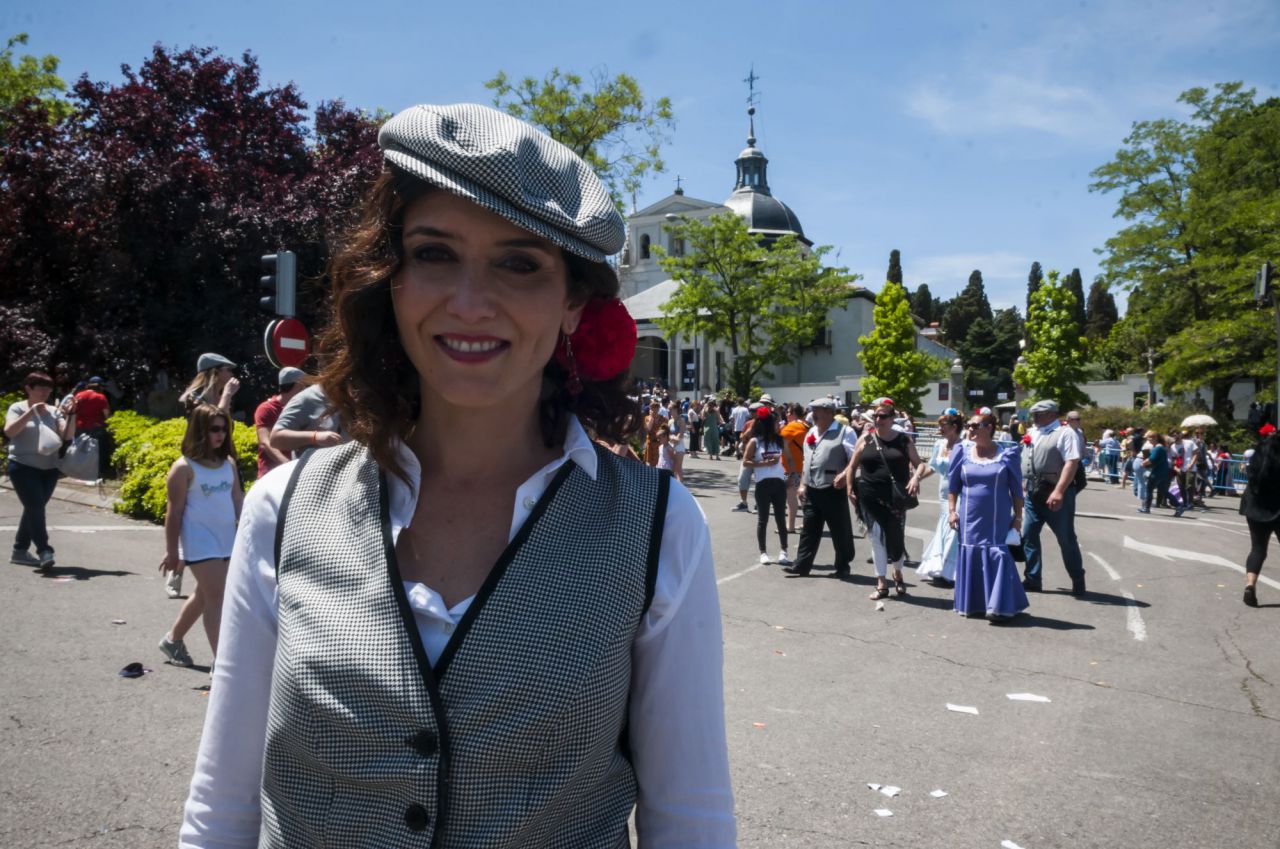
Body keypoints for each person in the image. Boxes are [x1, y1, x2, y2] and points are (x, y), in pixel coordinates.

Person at [180, 102, 735, 847]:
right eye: (435, 254)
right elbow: (223, 808)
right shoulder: (283, 509)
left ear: (574, 303)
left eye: (519, 262)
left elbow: (689, 821)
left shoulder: (658, 527)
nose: (470, 303)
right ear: (392, 277)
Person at [158, 404, 243, 668]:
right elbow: (173, 515)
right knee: (217, 598)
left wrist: (249, 534)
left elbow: (238, 500)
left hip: (228, 540)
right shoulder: (183, 468)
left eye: (224, 429)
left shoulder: (228, 463)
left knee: (205, 595)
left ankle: (172, 640)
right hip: (200, 543)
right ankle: (223, 664)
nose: (220, 435)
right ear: (199, 430)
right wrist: (173, 552)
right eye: (214, 429)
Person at [948, 412, 1027, 622]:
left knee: (998, 553)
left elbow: (1017, 491)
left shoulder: (1007, 454)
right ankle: (975, 604)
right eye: (969, 425)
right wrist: (952, 510)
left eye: (976, 425)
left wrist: (1018, 518)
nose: (971, 429)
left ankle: (998, 605)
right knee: (972, 553)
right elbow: (953, 486)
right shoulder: (961, 452)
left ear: (990, 427)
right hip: (969, 519)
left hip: (996, 519)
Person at [846, 400, 925, 599]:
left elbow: (920, 464)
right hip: (869, 495)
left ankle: (897, 573)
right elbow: (852, 466)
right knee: (876, 538)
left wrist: (915, 477)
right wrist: (849, 488)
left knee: (895, 537)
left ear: (891, 419)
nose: (878, 419)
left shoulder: (903, 440)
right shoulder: (865, 439)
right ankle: (881, 582)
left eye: (882, 416)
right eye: (876, 416)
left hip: (895, 497)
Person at [5, 372, 77, 569]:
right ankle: (44, 550)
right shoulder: (17, 408)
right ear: (29, 388)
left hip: (50, 469)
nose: (46, 392)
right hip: (22, 466)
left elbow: (66, 436)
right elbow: (10, 432)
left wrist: (71, 414)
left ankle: (19, 550)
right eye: (41, 388)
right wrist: (31, 412)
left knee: (33, 509)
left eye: (49, 388)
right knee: (36, 507)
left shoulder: (54, 411)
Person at [1020, 399, 1086, 596]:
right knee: (1029, 535)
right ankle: (1033, 578)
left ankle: (1077, 577)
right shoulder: (1032, 432)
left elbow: (1071, 463)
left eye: (1037, 414)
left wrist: (1059, 491)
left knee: (1066, 538)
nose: (1034, 418)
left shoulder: (1066, 433)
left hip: (1056, 492)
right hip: (1033, 492)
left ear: (1050, 414)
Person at [786, 398, 857, 577]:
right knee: (809, 529)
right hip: (811, 488)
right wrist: (802, 484)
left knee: (840, 530)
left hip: (832, 488)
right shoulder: (811, 432)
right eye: (812, 410)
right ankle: (802, 565)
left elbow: (855, 460)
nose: (813, 414)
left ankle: (843, 566)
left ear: (829, 412)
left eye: (817, 410)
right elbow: (806, 461)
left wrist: (844, 474)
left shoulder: (845, 432)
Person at [916, 410, 964, 586]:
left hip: (959, 492)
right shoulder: (939, 444)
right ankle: (939, 567)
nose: (940, 428)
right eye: (939, 425)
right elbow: (933, 467)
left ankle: (949, 571)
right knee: (944, 530)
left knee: (953, 529)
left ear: (954, 427)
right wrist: (917, 478)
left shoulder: (964, 445)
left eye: (943, 425)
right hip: (943, 494)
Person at [742, 408, 791, 566]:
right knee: (763, 520)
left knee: (780, 519)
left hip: (779, 484)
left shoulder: (781, 440)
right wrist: (765, 463)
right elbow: (745, 461)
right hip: (762, 484)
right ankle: (763, 552)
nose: (779, 425)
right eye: (776, 422)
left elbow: (790, 460)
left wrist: (790, 477)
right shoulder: (755, 442)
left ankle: (784, 551)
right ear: (768, 424)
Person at [1241, 425, 1280, 606]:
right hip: (1277, 509)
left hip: (1255, 508)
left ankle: (1250, 585)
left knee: (1258, 549)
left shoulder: (1257, 460)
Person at [253, 367, 306, 479]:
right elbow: (265, 442)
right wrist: (287, 464)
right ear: (297, 385)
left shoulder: (302, 408)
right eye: (304, 386)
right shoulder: (266, 408)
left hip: (296, 472)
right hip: (271, 475)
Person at [269, 383, 344, 458]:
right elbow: (275, 439)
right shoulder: (304, 399)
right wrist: (315, 437)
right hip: (315, 467)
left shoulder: (351, 397)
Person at [74, 376, 112, 479]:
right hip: (96, 428)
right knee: (99, 450)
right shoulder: (100, 397)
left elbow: (74, 411)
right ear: (99, 386)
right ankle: (100, 471)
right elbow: (107, 415)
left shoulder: (78, 395)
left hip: (80, 427)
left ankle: (82, 471)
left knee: (82, 449)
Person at [179, 353, 240, 418]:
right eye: (228, 370)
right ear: (214, 373)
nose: (232, 374)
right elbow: (215, 423)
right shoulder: (194, 398)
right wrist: (227, 394)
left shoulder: (221, 397)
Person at [780, 404, 809, 534]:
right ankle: (807, 524)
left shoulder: (792, 426)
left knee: (791, 497)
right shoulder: (806, 425)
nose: (786, 414)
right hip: (804, 466)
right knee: (802, 497)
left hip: (793, 467)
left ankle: (790, 526)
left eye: (788, 412)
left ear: (793, 413)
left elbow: (778, 441)